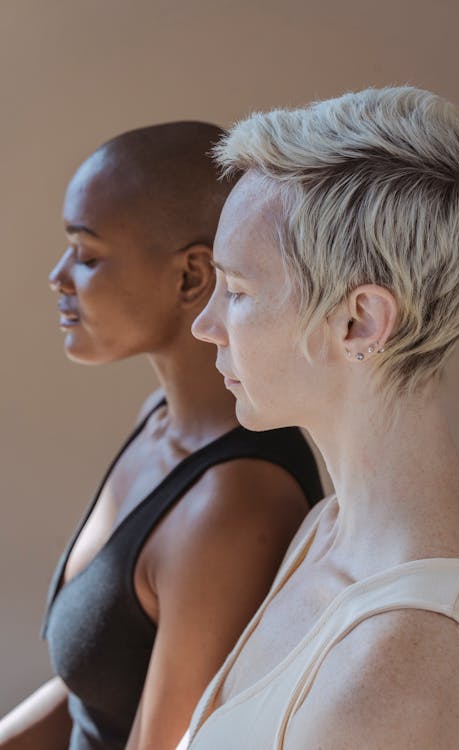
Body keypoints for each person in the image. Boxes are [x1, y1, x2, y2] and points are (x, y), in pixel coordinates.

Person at [189, 88, 459, 749]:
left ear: (359, 321)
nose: (204, 324)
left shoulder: (400, 670)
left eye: (238, 292)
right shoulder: (329, 528)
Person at [0, 122, 323, 750]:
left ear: (190, 277)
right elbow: (97, 685)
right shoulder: (161, 423)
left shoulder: (233, 504)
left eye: (87, 254)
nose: (58, 276)